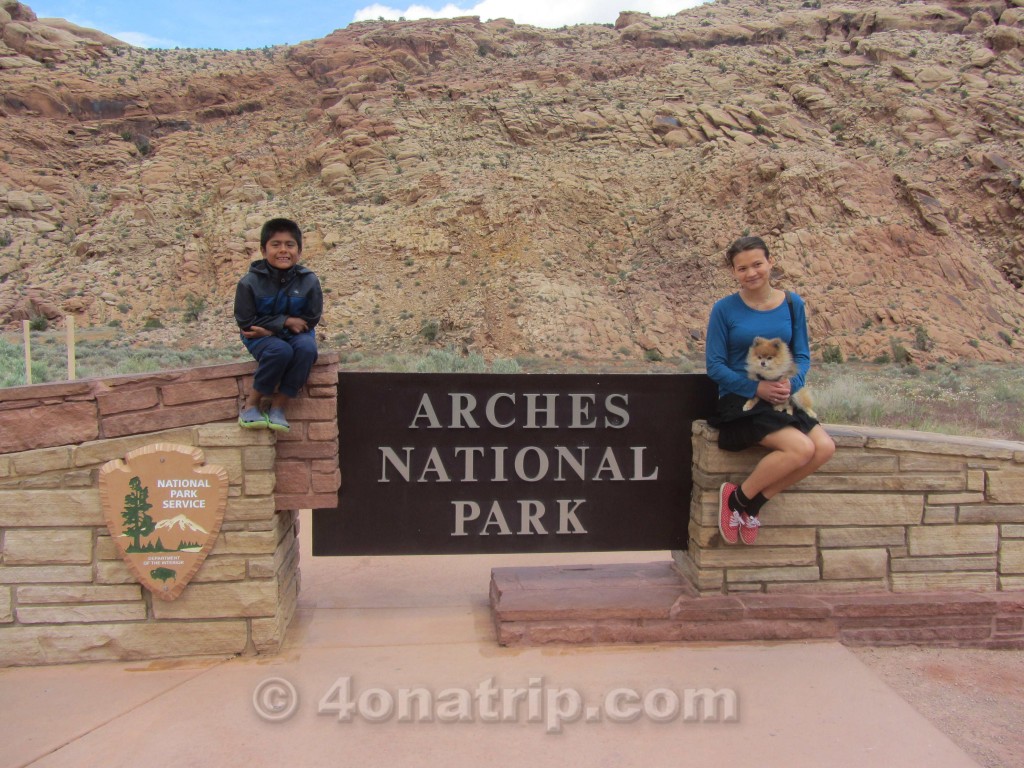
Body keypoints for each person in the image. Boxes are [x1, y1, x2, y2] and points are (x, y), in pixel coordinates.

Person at [705, 235, 835, 544]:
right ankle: (736, 500)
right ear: (733, 273)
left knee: (825, 448)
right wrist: (756, 388)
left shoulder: (792, 304)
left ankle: (750, 504)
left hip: (783, 396)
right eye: (741, 268)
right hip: (741, 399)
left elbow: (802, 355)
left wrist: (793, 383)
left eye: (757, 264)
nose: (751, 273)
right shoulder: (724, 310)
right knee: (801, 448)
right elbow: (715, 366)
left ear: (770, 263)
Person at [234, 217, 322, 432]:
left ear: (299, 251)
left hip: (293, 335)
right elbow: (246, 322)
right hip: (260, 338)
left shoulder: (308, 280)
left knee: (307, 349)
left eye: (290, 245)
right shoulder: (249, 283)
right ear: (264, 250)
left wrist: (271, 327)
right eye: (276, 244)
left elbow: (311, 319)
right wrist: (286, 322)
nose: (283, 250)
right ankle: (251, 406)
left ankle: (279, 407)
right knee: (279, 350)